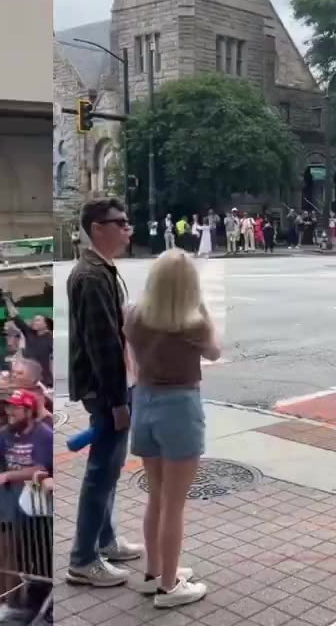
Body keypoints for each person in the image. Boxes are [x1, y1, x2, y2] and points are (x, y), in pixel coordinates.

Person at [123, 249, 221, 607]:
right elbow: (214, 351)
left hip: (145, 402)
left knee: (156, 495)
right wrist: (205, 310)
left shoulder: (135, 315)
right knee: (175, 504)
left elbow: (128, 346)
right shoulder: (191, 323)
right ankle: (168, 586)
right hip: (179, 405)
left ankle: (154, 571)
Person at [66, 198, 143, 588]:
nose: (128, 229)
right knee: (101, 472)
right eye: (120, 222)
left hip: (115, 384)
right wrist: (117, 402)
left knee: (109, 470)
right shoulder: (92, 276)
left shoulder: (102, 269)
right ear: (98, 227)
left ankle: (105, 540)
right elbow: (102, 346)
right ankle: (83, 558)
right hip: (106, 389)